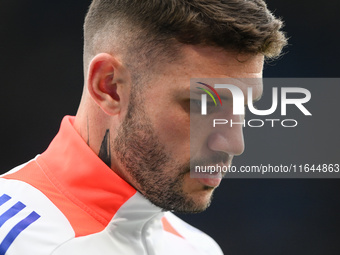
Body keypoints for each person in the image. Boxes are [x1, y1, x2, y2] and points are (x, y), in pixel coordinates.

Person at [0, 0, 287, 254]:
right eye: (204, 105)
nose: (234, 144)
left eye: (245, 107)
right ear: (109, 87)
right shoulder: (15, 240)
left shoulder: (198, 247)